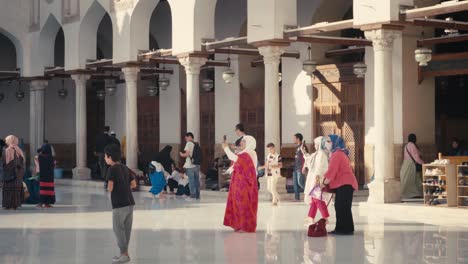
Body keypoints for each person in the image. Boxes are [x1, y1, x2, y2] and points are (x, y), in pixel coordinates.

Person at [105, 144, 136, 264]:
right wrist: (124, 186)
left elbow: (110, 187)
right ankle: (124, 254)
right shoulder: (125, 167)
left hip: (119, 204)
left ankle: (124, 254)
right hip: (130, 202)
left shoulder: (111, 169)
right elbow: (133, 184)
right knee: (126, 229)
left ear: (110, 157)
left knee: (118, 229)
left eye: (105, 157)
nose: (105, 159)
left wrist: (111, 188)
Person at [321, 135, 358, 235]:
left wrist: (323, 183)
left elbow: (332, 171)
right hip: (344, 184)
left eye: (329, 141)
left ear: (335, 142)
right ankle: (344, 228)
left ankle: (344, 229)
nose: (327, 143)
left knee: (342, 206)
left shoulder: (337, 154)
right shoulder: (338, 153)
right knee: (341, 206)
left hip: (345, 183)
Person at [222, 135, 259, 233]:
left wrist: (226, 148)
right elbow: (236, 163)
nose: (241, 143)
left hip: (245, 184)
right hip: (239, 183)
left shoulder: (249, 153)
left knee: (244, 204)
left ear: (249, 143)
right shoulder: (245, 153)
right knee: (237, 203)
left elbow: (235, 158)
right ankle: (238, 224)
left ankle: (245, 225)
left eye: (243, 141)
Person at [302, 136, 329, 205]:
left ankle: (324, 215)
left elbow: (321, 168)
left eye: (315, 144)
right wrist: (304, 152)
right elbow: (309, 160)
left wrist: (317, 179)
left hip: (317, 178)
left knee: (317, 199)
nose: (314, 146)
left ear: (319, 144)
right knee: (314, 198)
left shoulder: (322, 154)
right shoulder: (317, 153)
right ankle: (312, 215)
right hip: (313, 177)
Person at [2, 135, 25, 210]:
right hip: (18, 173)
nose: (6, 142)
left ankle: (9, 205)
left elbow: (7, 162)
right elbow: (21, 162)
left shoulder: (8, 150)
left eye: (7, 140)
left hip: (10, 173)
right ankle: (14, 205)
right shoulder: (19, 150)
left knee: (9, 189)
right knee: (15, 189)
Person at [400, 133, 424, 198]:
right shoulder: (412, 145)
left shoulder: (406, 146)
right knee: (414, 179)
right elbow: (416, 156)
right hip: (411, 165)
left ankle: (406, 193)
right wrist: (422, 163)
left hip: (405, 164)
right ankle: (414, 194)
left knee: (407, 179)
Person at [179, 132, 200, 200]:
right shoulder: (196, 143)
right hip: (197, 164)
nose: (186, 139)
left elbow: (187, 154)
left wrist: (182, 154)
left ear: (190, 137)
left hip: (190, 165)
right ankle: (197, 195)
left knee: (191, 181)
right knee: (197, 180)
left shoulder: (189, 143)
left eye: (186, 138)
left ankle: (193, 195)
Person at [38, 144, 56, 208]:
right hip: (49, 177)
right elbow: (53, 166)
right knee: (48, 190)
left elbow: (38, 153)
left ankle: (40, 203)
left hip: (42, 176)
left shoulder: (40, 157)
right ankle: (47, 204)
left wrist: (40, 150)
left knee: (42, 189)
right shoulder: (51, 157)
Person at [293, 133, 307, 201]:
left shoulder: (303, 146)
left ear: (298, 139)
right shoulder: (297, 147)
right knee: (295, 184)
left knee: (301, 183)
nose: (293, 140)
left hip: (300, 168)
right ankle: (296, 198)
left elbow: (305, 157)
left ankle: (309, 194)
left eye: (294, 138)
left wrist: (304, 167)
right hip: (295, 167)